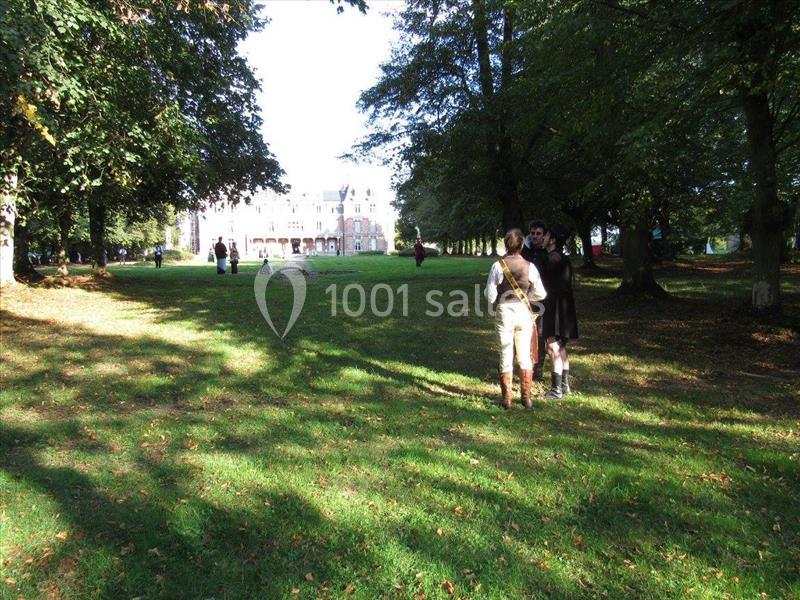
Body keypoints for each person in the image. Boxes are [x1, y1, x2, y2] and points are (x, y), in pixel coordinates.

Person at [484, 229, 547, 409]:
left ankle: (507, 400)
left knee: (505, 352)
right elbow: (541, 293)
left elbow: (489, 295)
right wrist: (528, 297)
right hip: (524, 312)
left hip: (504, 310)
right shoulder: (530, 266)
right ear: (521, 245)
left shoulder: (498, 266)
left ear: (506, 244)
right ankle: (526, 398)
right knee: (524, 355)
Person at [539, 225, 579, 399]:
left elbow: (543, 288)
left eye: (545, 235)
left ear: (552, 239)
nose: (542, 238)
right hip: (565, 307)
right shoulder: (564, 259)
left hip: (553, 307)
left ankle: (556, 391)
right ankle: (565, 386)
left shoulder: (550, 259)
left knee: (552, 346)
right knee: (561, 346)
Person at [521, 220, 549, 381]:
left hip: (542, 299)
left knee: (539, 333)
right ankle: (526, 364)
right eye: (532, 233)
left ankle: (538, 369)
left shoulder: (547, 255)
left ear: (544, 235)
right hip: (525, 299)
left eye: (538, 233)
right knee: (524, 332)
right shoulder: (525, 253)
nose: (535, 236)